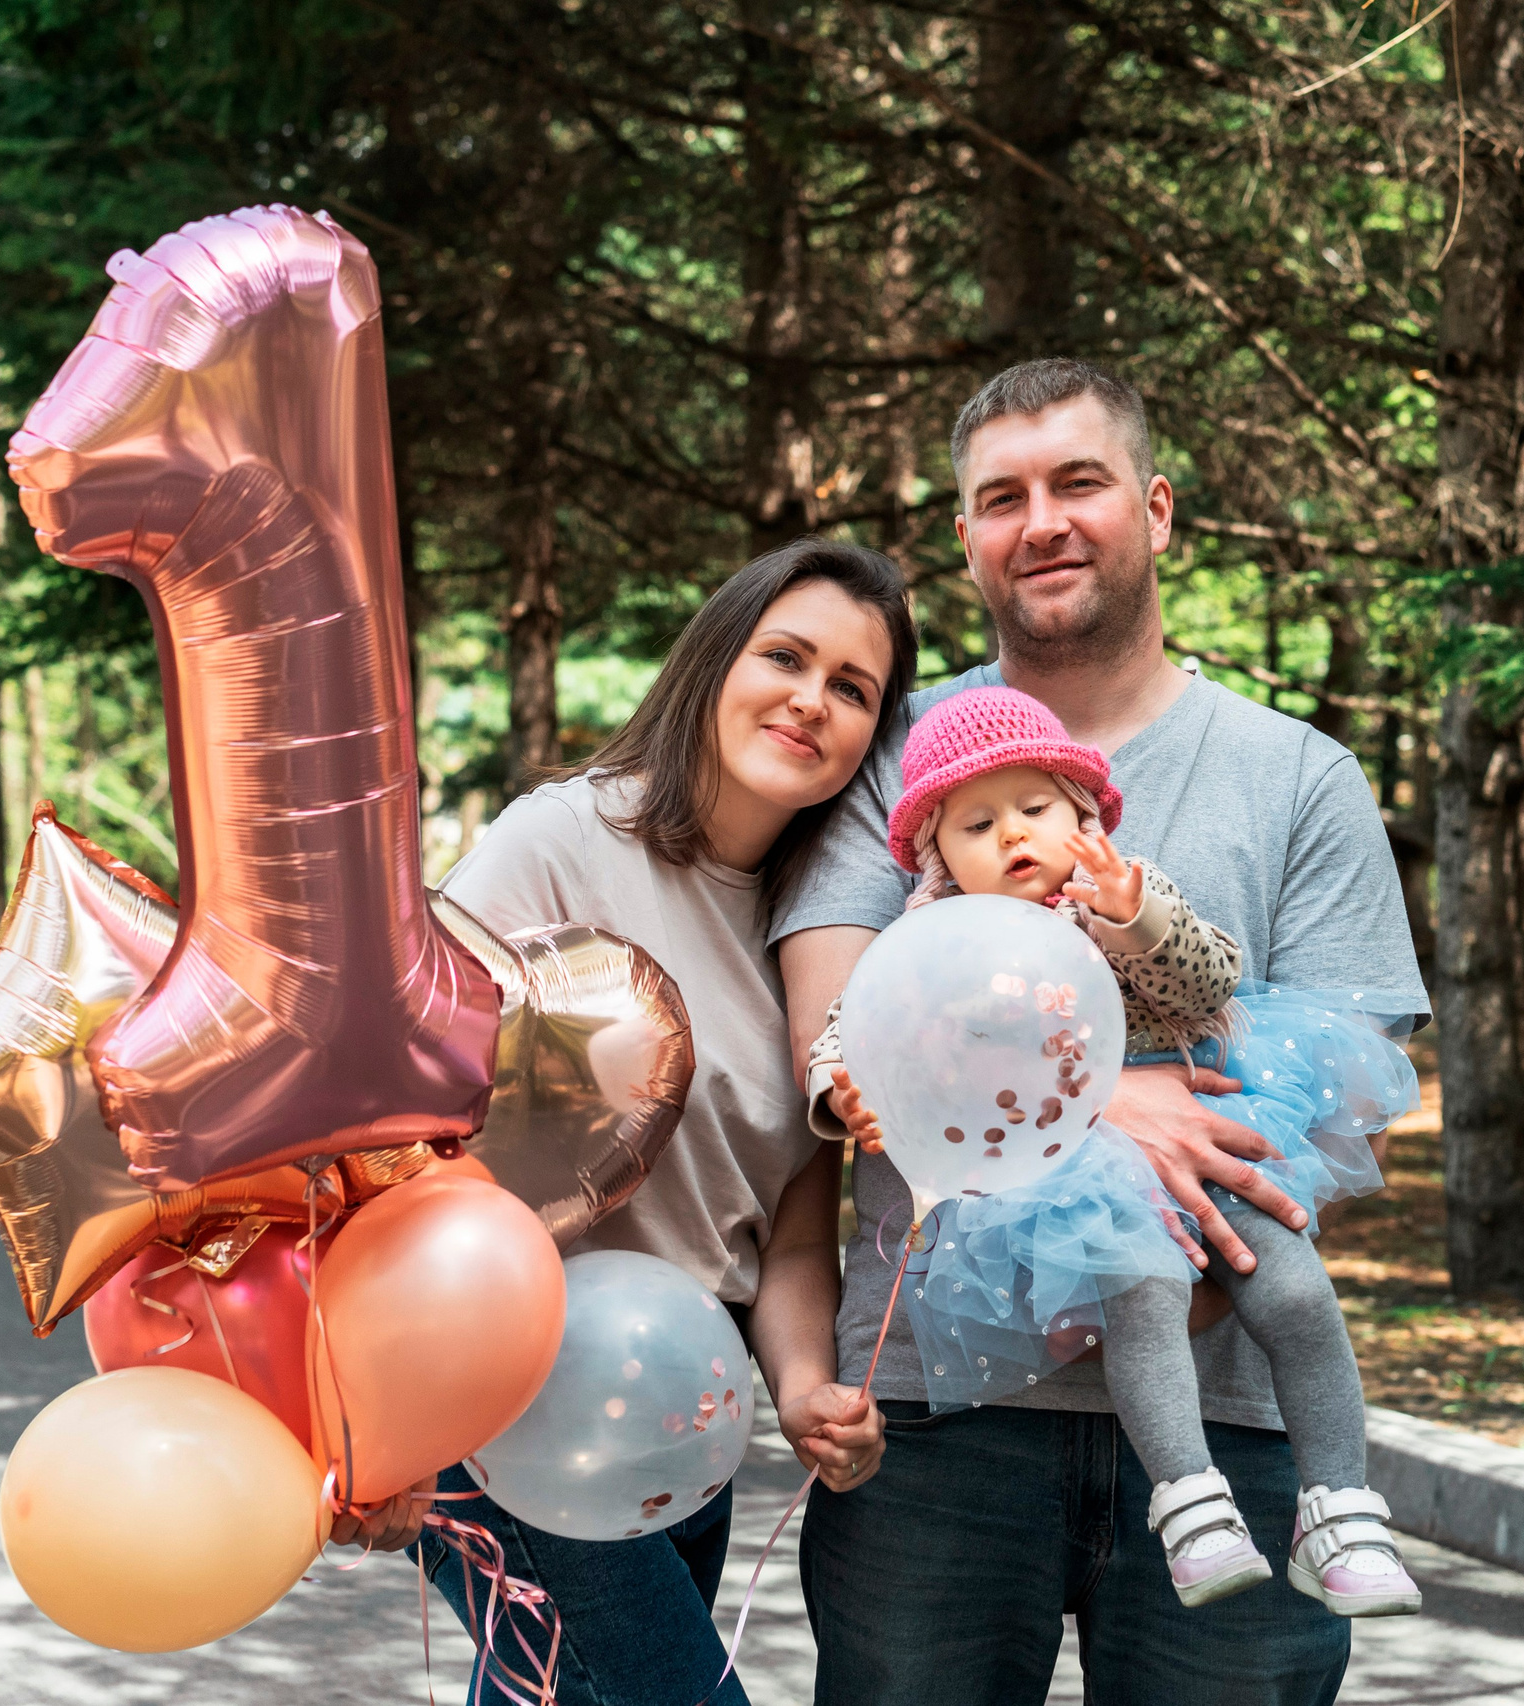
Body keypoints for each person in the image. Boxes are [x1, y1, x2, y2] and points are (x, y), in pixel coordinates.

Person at [774, 359, 1429, 1705]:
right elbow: (840, 1034)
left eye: (1080, 481)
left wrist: (1153, 1253)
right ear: (965, 539)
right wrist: (1109, 1103)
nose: (1043, 520)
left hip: (1233, 1406)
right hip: (931, 1422)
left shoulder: (1299, 775)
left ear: (1159, 508)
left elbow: (1340, 1088)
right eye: (1001, 497)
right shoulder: (887, 760)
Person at [411, 538, 918, 1705]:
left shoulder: (821, 932)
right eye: (785, 656)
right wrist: (385, 1419)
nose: (811, 699)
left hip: (673, 1418)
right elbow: (400, 1126)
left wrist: (801, 1389)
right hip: (499, 1406)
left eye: (853, 688)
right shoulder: (560, 841)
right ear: (712, 659)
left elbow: (788, 1228)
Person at [810, 683, 1424, 1617]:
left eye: (1036, 808)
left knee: (1293, 1287)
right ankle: (1190, 1503)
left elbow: (1209, 980)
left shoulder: (1127, 895)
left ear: (1085, 814)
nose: (1013, 835)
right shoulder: (933, 939)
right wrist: (842, 1086)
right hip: (1067, 1179)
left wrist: (1136, 918)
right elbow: (859, 1021)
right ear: (937, 855)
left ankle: (1340, 1507)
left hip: (1203, 1134)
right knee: (1145, 1293)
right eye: (976, 825)